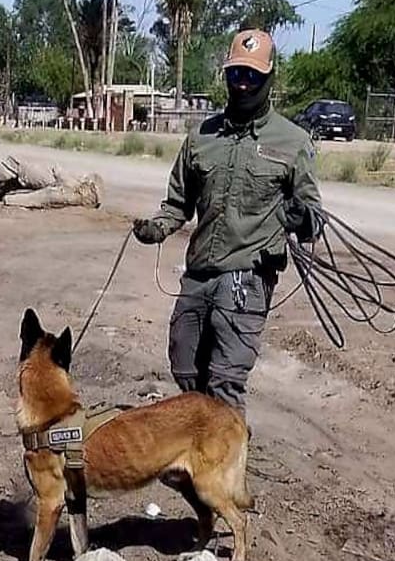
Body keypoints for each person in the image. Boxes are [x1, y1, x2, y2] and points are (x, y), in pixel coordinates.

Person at [132, 29, 322, 410]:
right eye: (236, 74)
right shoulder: (202, 137)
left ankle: (226, 463)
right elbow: (177, 204)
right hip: (199, 274)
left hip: (247, 280)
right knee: (186, 367)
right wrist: (156, 228)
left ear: (269, 77)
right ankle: (206, 451)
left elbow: (313, 221)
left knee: (225, 380)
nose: (243, 83)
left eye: (252, 75)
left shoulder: (293, 142)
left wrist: (302, 219)